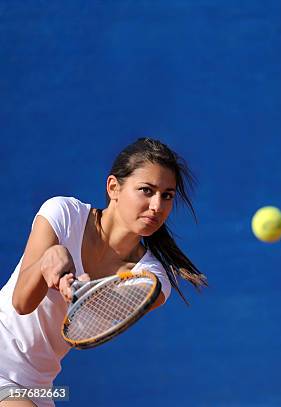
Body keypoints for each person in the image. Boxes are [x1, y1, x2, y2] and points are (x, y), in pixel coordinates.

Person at [0, 138, 206, 406]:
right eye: (146, 190)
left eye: (167, 195)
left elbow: (86, 325)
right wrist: (47, 261)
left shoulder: (152, 279)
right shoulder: (63, 213)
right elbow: (22, 303)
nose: (157, 206)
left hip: (37, 386)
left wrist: (80, 295)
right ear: (114, 188)